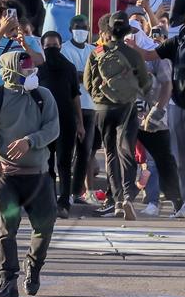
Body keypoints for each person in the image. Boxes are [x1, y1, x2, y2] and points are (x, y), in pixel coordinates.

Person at [0, 51, 60, 297]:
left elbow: (53, 128)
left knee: (44, 225)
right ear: (11, 73)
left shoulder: (43, 96)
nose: (33, 74)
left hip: (38, 177)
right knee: (6, 230)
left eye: (33, 70)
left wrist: (30, 141)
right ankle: (7, 279)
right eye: (27, 70)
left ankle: (33, 264)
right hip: (6, 178)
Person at [129, 8, 185, 218]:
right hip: (177, 106)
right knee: (181, 157)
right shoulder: (176, 42)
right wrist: (134, 48)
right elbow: (151, 54)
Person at [84, 12, 152, 219]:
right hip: (127, 108)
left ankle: (115, 200)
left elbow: (88, 82)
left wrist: (99, 96)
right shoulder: (133, 54)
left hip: (103, 108)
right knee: (127, 152)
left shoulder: (96, 52)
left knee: (110, 153)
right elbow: (145, 83)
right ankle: (128, 198)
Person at [131, 23, 182, 217]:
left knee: (157, 160)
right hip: (129, 115)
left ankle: (170, 201)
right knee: (126, 158)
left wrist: (158, 110)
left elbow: (167, 84)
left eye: (135, 31)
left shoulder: (155, 55)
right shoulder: (121, 54)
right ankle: (120, 199)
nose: (131, 35)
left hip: (152, 117)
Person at [38, 31, 84, 219]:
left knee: (64, 163)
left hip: (65, 120)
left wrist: (80, 123)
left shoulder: (69, 67)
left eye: (54, 46)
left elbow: (75, 96)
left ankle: (64, 202)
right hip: (44, 121)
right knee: (46, 163)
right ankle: (48, 202)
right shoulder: (39, 68)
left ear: (61, 46)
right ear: (42, 47)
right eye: (48, 47)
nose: (52, 50)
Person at [60, 15, 97, 205]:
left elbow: (95, 76)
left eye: (84, 27)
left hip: (91, 106)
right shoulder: (64, 49)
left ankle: (77, 192)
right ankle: (64, 192)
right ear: (70, 29)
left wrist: (84, 76)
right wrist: (86, 76)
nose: (81, 30)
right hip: (73, 106)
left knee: (85, 151)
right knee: (67, 149)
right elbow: (71, 76)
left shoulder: (93, 50)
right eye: (77, 27)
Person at [0, 0, 45, 86]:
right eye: (6, 15)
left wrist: (26, 47)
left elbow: (40, 62)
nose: (10, 18)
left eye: (14, 15)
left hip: (22, 90)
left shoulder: (29, 40)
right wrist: (3, 29)